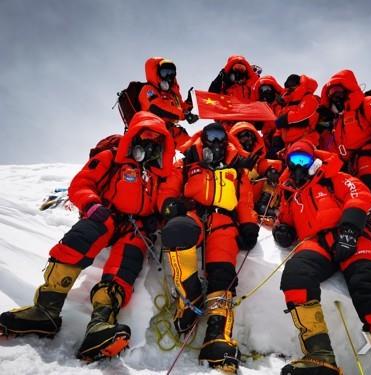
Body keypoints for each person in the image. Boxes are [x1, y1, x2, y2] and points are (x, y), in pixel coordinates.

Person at [0, 112, 177, 362]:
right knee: (87, 234)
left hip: (135, 229)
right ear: (133, 139)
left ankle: (101, 324)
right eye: (144, 140)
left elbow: (165, 203)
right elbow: (81, 183)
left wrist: (157, 218)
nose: (149, 148)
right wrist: (92, 204)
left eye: (156, 143)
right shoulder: (112, 158)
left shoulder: (161, 176)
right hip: (105, 214)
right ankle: (45, 310)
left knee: (124, 268)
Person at [273, 139, 371, 375]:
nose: (298, 166)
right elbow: (285, 221)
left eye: (303, 160)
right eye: (293, 161)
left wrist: (349, 229)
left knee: (367, 284)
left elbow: (360, 195)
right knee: (296, 275)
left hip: (353, 235)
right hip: (317, 243)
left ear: (314, 161)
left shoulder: (333, 176)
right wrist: (282, 231)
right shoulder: (290, 194)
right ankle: (319, 356)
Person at [159, 122, 259, 373]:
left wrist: (248, 225)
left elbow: (245, 201)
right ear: (202, 138)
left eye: (220, 137)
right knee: (176, 232)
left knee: (223, 273)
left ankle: (217, 335)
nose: (215, 141)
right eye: (210, 136)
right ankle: (189, 296)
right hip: (192, 213)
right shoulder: (188, 162)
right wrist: (171, 204)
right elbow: (169, 188)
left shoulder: (236, 168)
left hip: (223, 220)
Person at [318, 69, 371, 252]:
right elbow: (337, 147)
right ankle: (369, 228)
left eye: (339, 92)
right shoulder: (338, 122)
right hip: (352, 161)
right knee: (357, 192)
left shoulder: (368, 102)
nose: (335, 98)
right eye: (332, 95)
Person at [139, 57, 198, 149]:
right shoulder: (148, 90)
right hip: (152, 133)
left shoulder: (172, 94)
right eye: (165, 72)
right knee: (156, 160)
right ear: (156, 73)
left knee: (194, 150)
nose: (169, 76)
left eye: (171, 73)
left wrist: (190, 102)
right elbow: (157, 107)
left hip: (171, 131)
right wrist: (183, 115)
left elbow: (180, 109)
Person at [228, 121, 283, 221]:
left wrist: (271, 171)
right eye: (244, 136)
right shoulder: (227, 155)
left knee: (272, 173)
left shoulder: (257, 158)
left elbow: (264, 164)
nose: (248, 140)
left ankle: (264, 205)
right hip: (232, 196)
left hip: (253, 196)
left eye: (251, 137)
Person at [270, 74, 320, 159]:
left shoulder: (309, 98)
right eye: (288, 88)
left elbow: (302, 116)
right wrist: (277, 137)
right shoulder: (287, 104)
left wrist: (285, 119)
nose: (289, 90)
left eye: (292, 87)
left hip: (306, 143)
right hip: (288, 146)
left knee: (301, 169)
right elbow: (280, 126)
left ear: (299, 85)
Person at [251, 75, 285, 153]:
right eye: (262, 89)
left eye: (267, 89)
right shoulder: (260, 108)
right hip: (266, 141)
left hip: (281, 139)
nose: (265, 92)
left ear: (274, 89)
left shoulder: (282, 104)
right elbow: (255, 125)